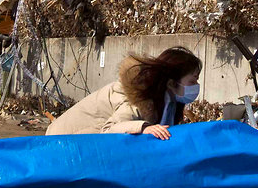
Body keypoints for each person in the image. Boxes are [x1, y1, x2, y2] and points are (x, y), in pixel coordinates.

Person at [45, 46, 202, 139]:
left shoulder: (169, 102)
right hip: (61, 141)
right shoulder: (138, 99)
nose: (196, 86)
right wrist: (144, 128)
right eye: (192, 80)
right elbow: (109, 130)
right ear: (171, 83)